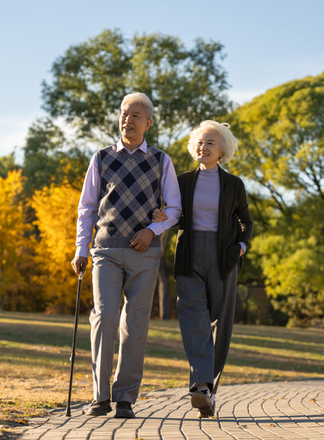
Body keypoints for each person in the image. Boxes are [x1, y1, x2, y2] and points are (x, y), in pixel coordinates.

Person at [71, 92, 181, 419]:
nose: (127, 120)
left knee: (134, 323)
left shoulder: (161, 160)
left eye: (135, 115)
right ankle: (99, 396)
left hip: (144, 253)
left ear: (148, 122)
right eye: (123, 113)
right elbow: (87, 207)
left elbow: (174, 208)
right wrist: (81, 248)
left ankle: (124, 398)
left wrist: (152, 231)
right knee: (104, 317)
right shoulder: (102, 158)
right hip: (104, 249)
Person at [153, 120, 253, 418]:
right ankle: (202, 388)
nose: (203, 146)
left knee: (220, 325)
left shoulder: (234, 184)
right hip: (189, 255)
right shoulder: (181, 180)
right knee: (193, 317)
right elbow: (173, 214)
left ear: (222, 150)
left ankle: (208, 389)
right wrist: (162, 215)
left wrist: (240, 248)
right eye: (199, 141)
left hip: (224, 260)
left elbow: (246, 222)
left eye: (210, 142)